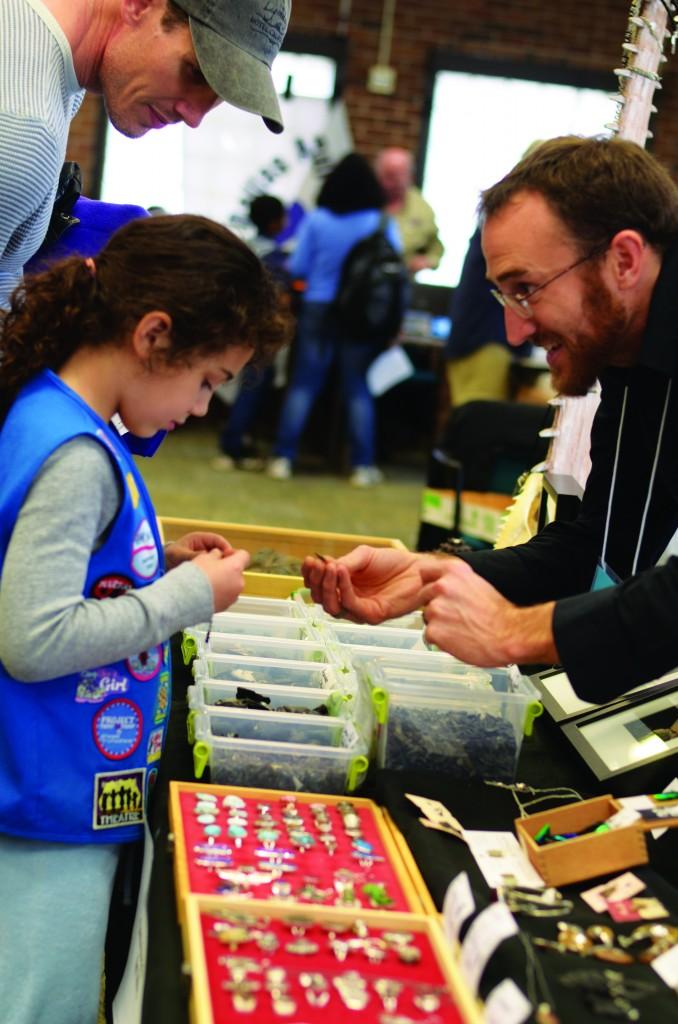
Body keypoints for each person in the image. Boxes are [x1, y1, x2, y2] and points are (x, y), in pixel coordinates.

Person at [0, 213, 289, 1024]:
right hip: (41, 806)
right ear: (153, 335)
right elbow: (33, 637)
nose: (202, 408)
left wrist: (150, 566)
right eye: (206, 380)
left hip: (45, 787)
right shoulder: (76, 455)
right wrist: (185, 599)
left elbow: (55, 573)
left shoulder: (60, 417)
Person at [303, 135, 678, 704]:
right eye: (505, 298)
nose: (515, 332)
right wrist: (435, 574)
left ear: (623, 259)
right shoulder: (625, 362)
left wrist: (517, 631)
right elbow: (594, 543)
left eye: (527, 290)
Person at [0, 0, 291, 306]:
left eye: (217, 96)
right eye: (194, 72)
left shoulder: (45, 49)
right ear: (138, 5)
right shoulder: (24, 127)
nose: (193, 117)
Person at [268, 152, 401, 487]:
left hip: (318, 308)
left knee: (304, 384)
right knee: (357, 387)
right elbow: (395, 270)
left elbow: (297, 267)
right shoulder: (380, 222)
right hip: (360, 315)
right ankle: (362, 466)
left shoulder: (318, 219)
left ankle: (283, 457)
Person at [214, 194, 293, 470]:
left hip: (235, 326)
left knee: (239, 386)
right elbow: (280, 298)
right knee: (252, 388)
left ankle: (237, 441)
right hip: (260, 333)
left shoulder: (243, 248)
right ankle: (233, 444)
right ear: (275, 222)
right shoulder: (277, 257)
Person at [374, 146, 443, 274]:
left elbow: (436, 248)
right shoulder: (363, 203)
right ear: (378, 175)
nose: (398, 182)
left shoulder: (421, 208)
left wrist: (427, 261)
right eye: (390, 176)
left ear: (411, 176)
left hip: (401, 281)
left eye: (402, 175)